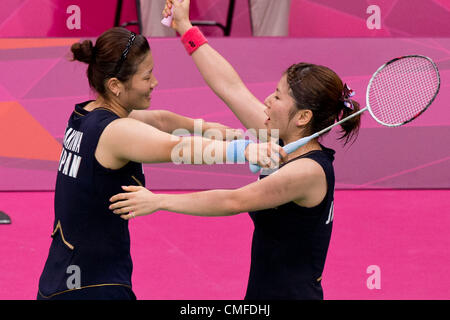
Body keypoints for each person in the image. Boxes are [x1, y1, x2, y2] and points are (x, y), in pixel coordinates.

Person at [109, 0, 362, 300]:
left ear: (303, 117)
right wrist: (185, 27)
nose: (267, 100)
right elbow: (230, 87)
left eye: (278, 97)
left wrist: (160, 201)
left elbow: (233, 201)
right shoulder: (279, 137)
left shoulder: (308, 171)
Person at [36, 26, 282, 300]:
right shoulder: (116, 133)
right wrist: (245, 151)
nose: (154, 82)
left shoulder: (87, 114)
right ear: (116, 85)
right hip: (92, 286)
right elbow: (178, 147)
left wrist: (208, 127)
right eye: (146, 76)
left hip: (61, 277)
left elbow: (160, 120)